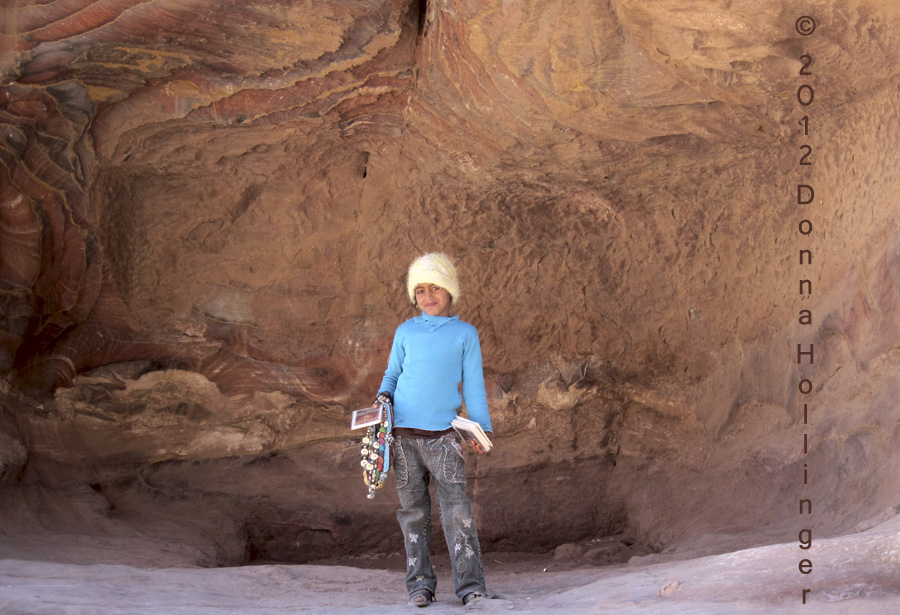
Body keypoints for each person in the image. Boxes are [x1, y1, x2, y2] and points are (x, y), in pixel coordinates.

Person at [375, 252, 493, 609]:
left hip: (444, 438)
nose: (429, 296)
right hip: (402, 438)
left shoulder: (464, 333)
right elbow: (393, 375)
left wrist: (481, 428)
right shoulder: (405, 331)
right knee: (412, 513)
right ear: (414, 296)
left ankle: (471, 587)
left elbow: (473, 385)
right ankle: (420, 586)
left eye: (436, 287)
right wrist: (381, 400)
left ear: (450, 291)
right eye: (421, 289)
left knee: (457, 512)